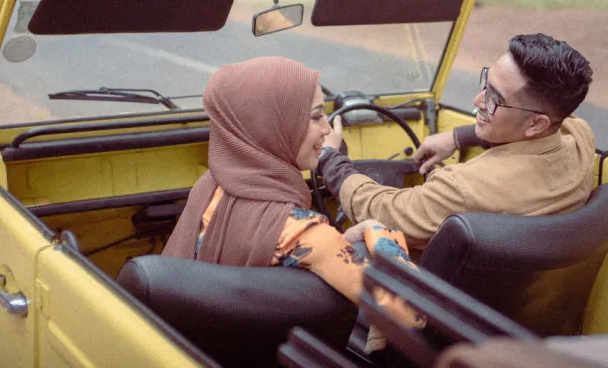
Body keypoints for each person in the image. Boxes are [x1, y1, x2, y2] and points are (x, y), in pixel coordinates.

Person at [162, 56, 423, 349]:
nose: (327, 129)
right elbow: (413, 314)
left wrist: (341, 241)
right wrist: (380, 236)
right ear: (273, 125)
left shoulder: (210, 186)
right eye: (315, 117)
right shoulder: (303, 234)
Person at [319, 33, 595, 253]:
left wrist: (331, 158)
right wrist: (457, 137)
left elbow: (383, 212)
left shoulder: (463, 188)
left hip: (420, 297)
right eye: (486, 83)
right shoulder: (580, 139)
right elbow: (564, 124)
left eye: (495, 99)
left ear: (536, 124)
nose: (477, 101)